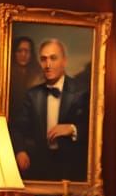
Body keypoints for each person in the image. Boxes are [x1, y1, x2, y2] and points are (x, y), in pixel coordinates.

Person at [8, 38, 89, 182]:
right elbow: (17, 128)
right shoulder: (32, 95)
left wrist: (72, 128)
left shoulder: (82, 91)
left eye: (53, 58)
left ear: (64, 61)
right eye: (43, 59)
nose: (48, 65)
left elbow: (95, 129)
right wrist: (20, 151)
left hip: (72, 167)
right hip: (40, 165)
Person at [8, 35, 43, 115]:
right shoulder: (7, 75)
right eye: (19, 51)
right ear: (14, 53)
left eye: (27, 51)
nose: (23, 55)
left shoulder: (38, 74)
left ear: (31, 54)